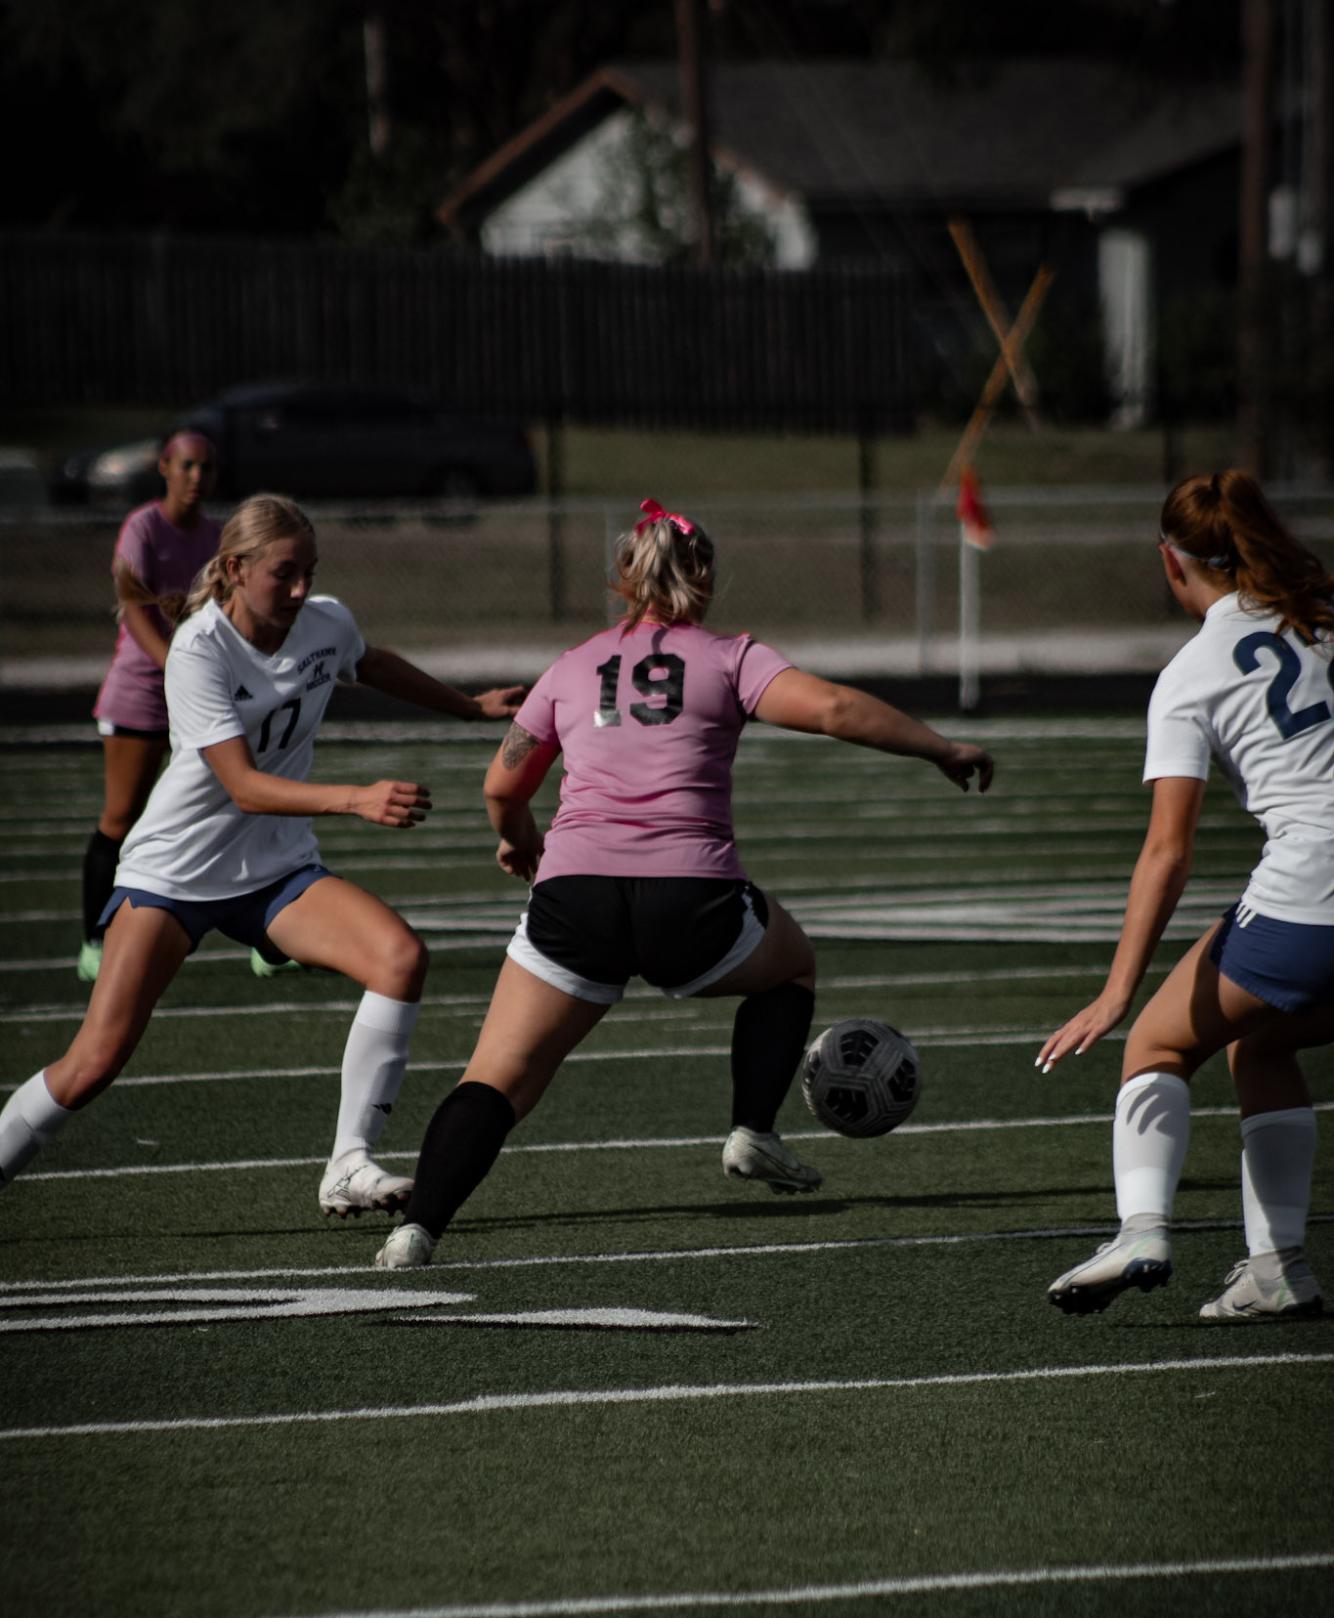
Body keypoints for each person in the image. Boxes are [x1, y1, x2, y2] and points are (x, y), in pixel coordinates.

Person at [373, 495, 994, 1269]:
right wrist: (939, 746)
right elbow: (834, 708)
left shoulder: (569, 666)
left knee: (498, 1078)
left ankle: (416, 1230)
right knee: (791, 965)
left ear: (622, 579)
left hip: (576, 897)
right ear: (702, 579)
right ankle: (751, 1131)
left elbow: (501, 787)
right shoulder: (731, 656)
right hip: (688, 899)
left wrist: (519, 842)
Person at [0, 492, 523, 1221]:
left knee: (399, 957)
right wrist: (355, 798)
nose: (302, 588)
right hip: (174, 874)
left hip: (274, 869)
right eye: (285, 573)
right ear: (237, 568)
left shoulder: (323, 622)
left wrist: (468, 706)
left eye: (310, 570)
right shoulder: (198, 648)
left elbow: (368, 662)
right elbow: (242, 786)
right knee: (95, 1060)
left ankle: (348, 1162)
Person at [1041, 470, 1334, 1321]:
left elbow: (1168, 850)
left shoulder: (1192, 669)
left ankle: (1141, 1229)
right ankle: (1278, 1269)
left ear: (1171, 562)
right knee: (1263, 1045)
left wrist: (1117, 992)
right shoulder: (1323, 620)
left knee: (1159, 1046)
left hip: (1309, 895)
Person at [79, 430, 221, 983]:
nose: (195, 477)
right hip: (142, 694)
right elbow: (133, 605)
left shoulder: (215, 534)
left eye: (206, 468)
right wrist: (176, 663)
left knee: (227, 809)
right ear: (164, 466)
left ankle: (272, 939)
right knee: (121, 815)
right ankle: (94, 939)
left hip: (196, 693)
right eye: (186, 465)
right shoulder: (142, 526)